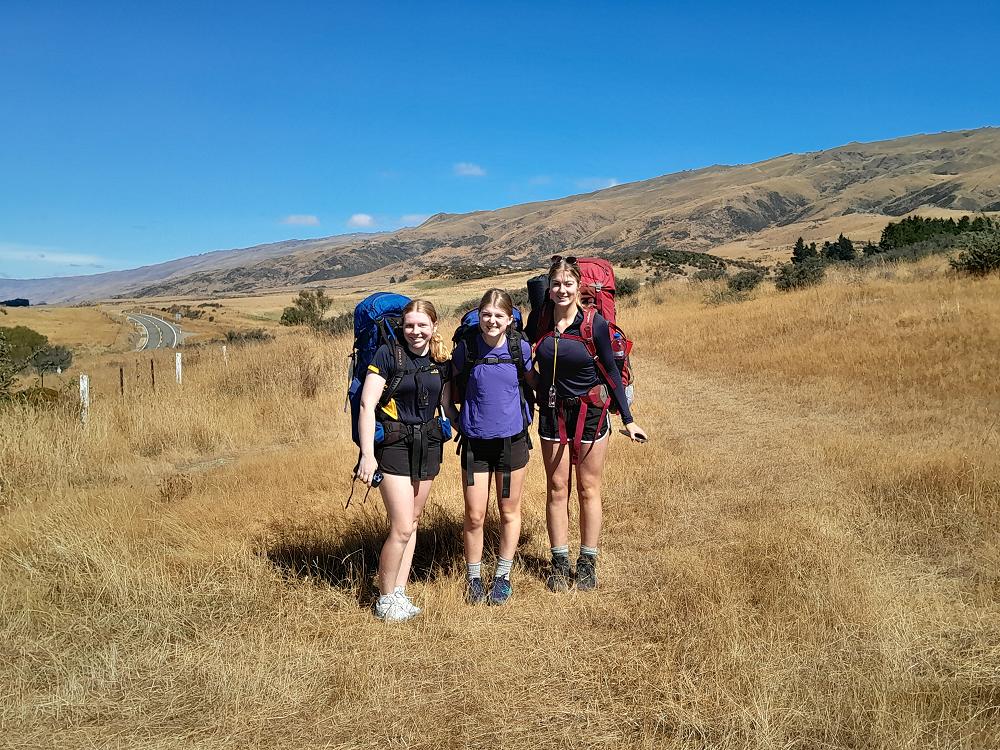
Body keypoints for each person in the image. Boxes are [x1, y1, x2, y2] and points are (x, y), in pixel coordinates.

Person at [533, 257, 648, 592]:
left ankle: (587, 562)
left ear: (579, 286)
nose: (562, 290)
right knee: (557, 489)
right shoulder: (540, 321)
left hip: (590, 413)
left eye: (568, 284)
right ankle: (559, 563)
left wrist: (628, 419)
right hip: (553, 414)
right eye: (556, 284)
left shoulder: (592, 324)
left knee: (588, 488)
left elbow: (611, 373)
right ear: (549, 289)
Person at [356, 299, 451, 621]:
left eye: (422, 325)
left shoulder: (440, 358)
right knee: (400, 527)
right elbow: (367, 405)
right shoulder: (387, 355)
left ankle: (399, 591)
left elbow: (446, 405)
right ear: (402, 326)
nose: (415, 331)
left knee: (412, 522)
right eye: (409, 325)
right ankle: (385, 600)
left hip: (428, 444)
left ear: (434, 326)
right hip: (394, 447)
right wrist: (367, 455)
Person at [451, 289, 536, 605]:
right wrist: (454, 418)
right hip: (475, 444)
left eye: (499, 315)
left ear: (510, 319)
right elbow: (448, 382)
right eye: (486, 314)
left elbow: (534, 383)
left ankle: (502, 576)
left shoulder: (519, 347)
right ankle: (473, 578)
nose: (492, 321)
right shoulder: (467, 348)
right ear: (479, 316)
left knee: (508, 511)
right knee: (475, 515)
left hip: (512, 443)